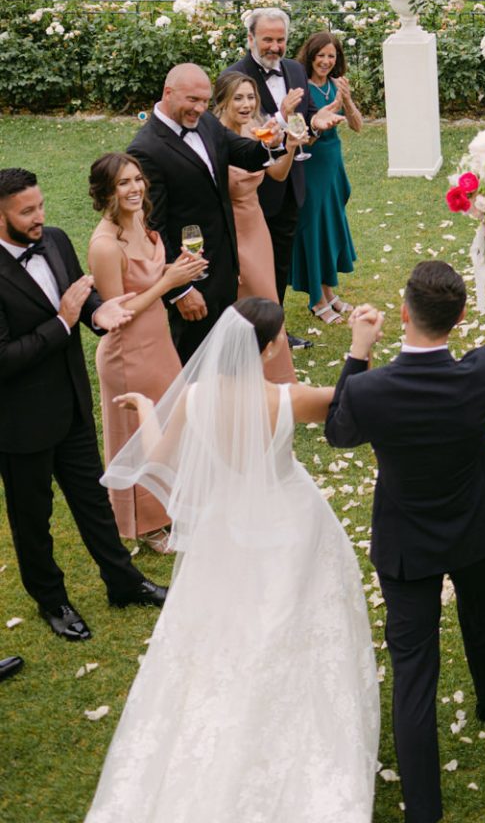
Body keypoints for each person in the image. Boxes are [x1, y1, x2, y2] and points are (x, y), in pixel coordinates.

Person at [84, 297, 379, 823]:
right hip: (290, 530)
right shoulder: (288, 401)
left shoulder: (195, 397)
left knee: (225, 635)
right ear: (265, 350)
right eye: (281, 338)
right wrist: (361, 345)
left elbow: (157, 460)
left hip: (224, 532)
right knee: (295, 629)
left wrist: (150, 411)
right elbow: (354, 405)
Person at [325, 229, 485, 823]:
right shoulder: (483, 374)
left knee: (413, 670)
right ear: (462, 317)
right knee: (481, 611)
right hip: (474, 523)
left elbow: (339, 433)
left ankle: (424, 809)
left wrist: (357, 352)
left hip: (407, 538)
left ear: (402, 313)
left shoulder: (370, 390)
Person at [0, 168, 167, 642]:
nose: (40, 218)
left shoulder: (53, 240)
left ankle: (124, 581)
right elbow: (4, 358)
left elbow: (82, 290)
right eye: (27, 211)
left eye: (41, 205)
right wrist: (63, 319)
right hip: (19, 420)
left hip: (70, 401)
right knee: (33, 518)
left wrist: (96, 311)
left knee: (93, 500)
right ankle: (52, 600)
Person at [87, 152, 205, 553]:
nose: (134, 188)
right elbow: (113, 313)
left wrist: (180, 271)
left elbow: (153, 276)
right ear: (106, 191)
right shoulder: (105, 245)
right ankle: (146, 524)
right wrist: (168, 282)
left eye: (137, 179)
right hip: (127, 353)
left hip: (158, 342)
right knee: (136, 434)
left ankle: (168, 506)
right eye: (123, 183)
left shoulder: (139, 219)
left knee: (168, 426)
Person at [128, 63, 271, 361]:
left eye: (205, 100)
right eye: (192, 100)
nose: (200, 108)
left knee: (224, 359)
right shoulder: (145, 149)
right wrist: (180, 290)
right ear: (168, 93)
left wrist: (274, 142)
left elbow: (245, 153)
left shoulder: (205, 122)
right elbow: (152, 228)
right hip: (191, 275)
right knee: (194, 361)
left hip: (224, 264)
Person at [224, 8, 346, 307]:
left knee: (281, 260)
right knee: (253, 265)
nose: (275, 47)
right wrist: (281, 114)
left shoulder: (293, 69)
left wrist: (315, 121)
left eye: (281, 40)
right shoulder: (233, 77)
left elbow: (301, 119)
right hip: (254, 187)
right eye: (267, 39)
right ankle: (255, 325)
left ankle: (276, 325)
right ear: (250, 38)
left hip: (294, 180)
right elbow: (238, 134)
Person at [212, 70, 299, 381]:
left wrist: (288, 147)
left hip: (256, 225)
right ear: (222, 101)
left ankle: (274, 380)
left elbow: (277, 174)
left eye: (251, 97)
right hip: (231, 231)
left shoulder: (255, 129)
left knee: (268, 299)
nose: (247, 104)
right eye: (238, 98)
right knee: (245, 306)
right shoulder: (215, 141)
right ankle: (242, 379)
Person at [290, 31, 363, 324]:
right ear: (310, 56)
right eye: (320, 55)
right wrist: (322, 119)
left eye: (331, 56)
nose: (325, 61)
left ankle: (329, 291)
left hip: (333, 165)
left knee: (331, 225)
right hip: (310, 165)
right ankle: (316, 299)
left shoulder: (336, 85)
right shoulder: (301, 88)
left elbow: (357, 125)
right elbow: (300, 133)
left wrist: (345, 98)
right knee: (313, 228)